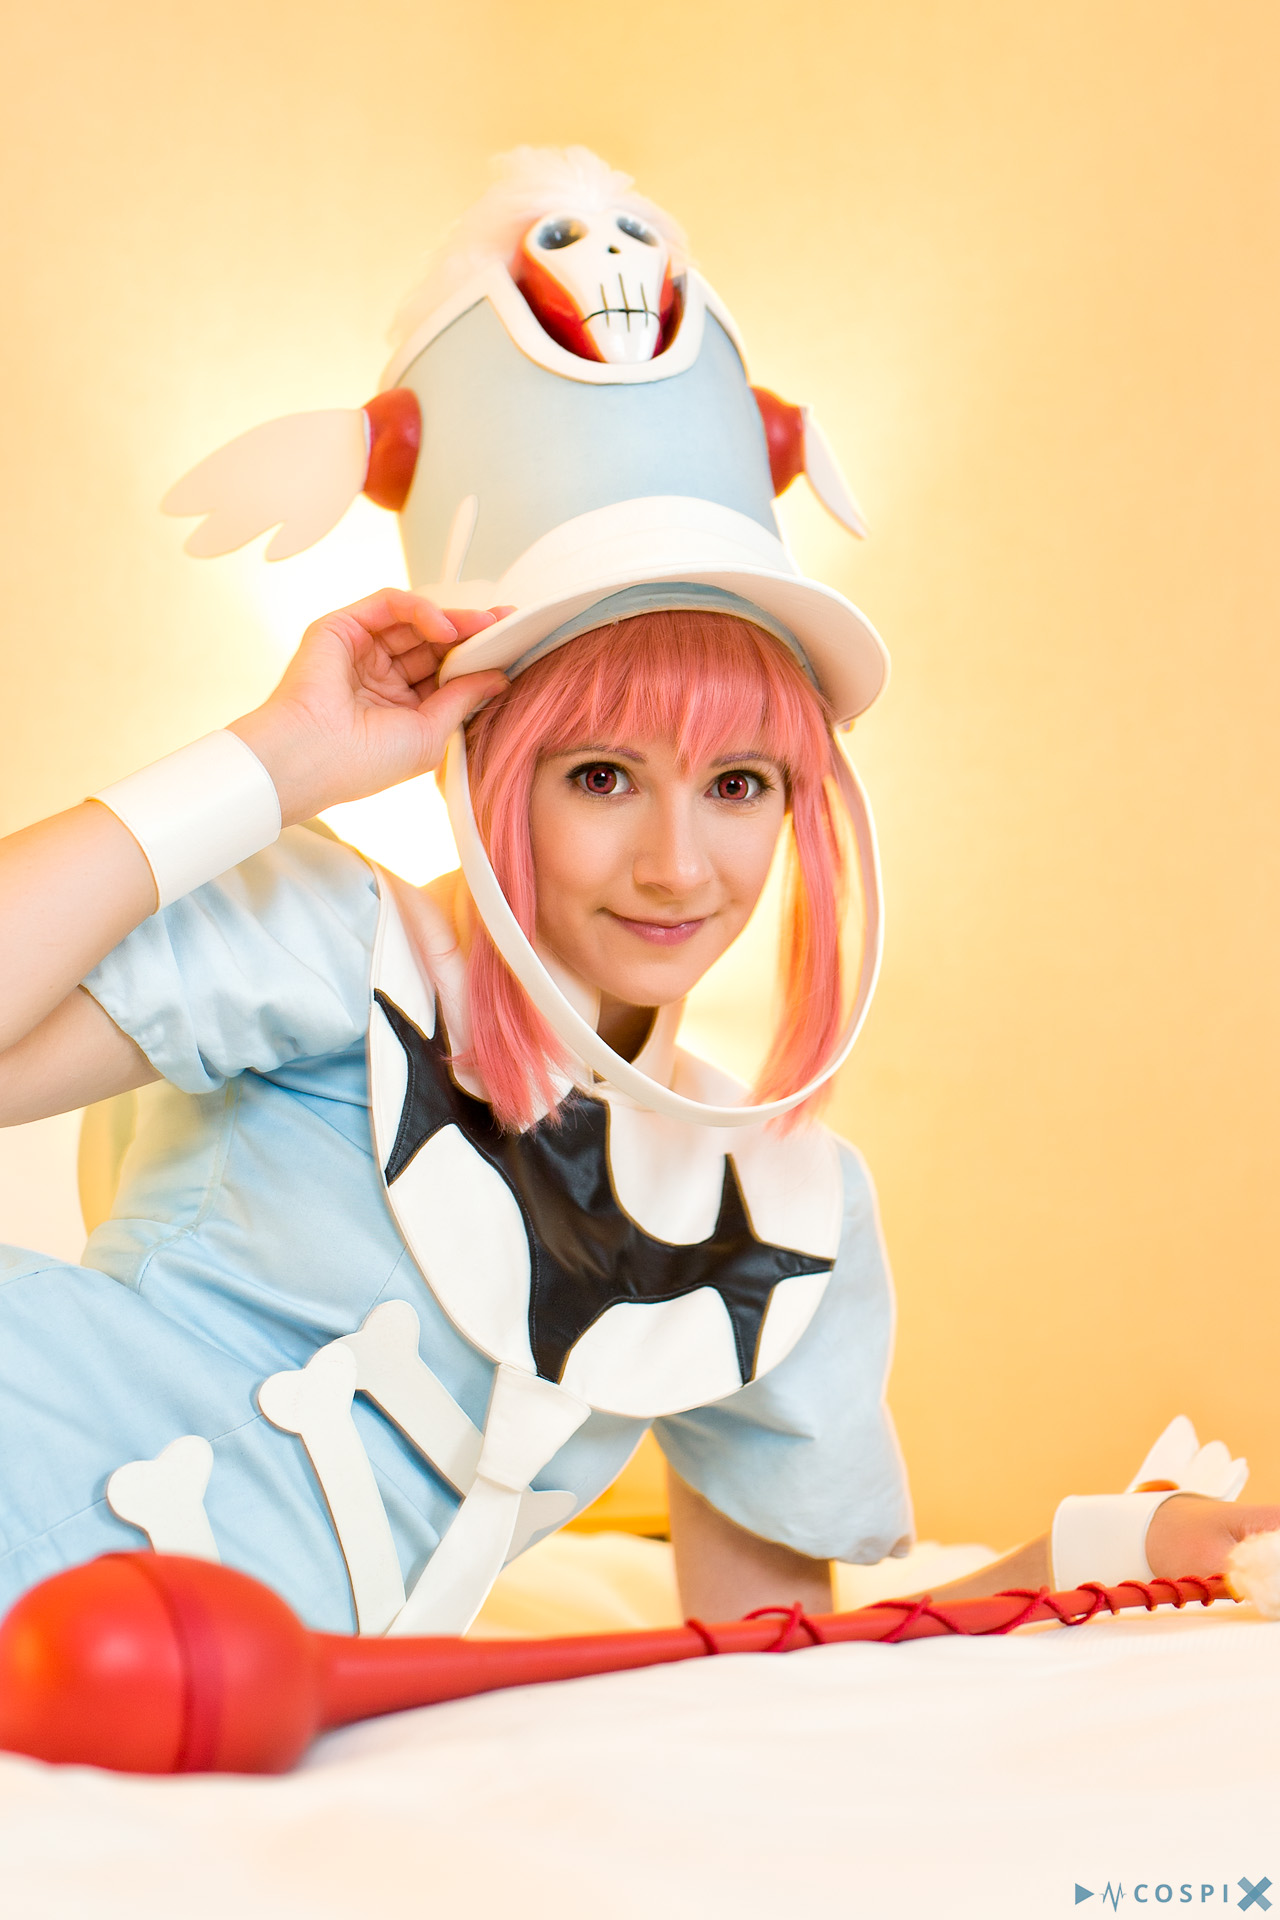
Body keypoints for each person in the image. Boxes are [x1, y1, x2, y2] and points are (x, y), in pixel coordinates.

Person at [0, 586, 1274, 1636]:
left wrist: (1094, 1553)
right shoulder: (328, 930)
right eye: (602, 776)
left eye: (738, 784)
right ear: (490, 775)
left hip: (182, 1699)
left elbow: (767, 1665)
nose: (676, 866)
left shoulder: (785, 1204)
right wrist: (279, 760)